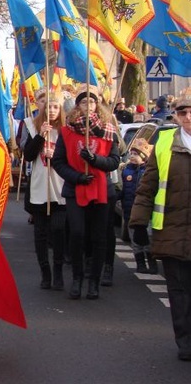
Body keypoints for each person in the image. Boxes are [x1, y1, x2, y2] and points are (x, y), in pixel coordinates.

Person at [130, 97, 191, 361]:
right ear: (175, 115)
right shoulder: (164, 142)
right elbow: (148, 186)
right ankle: (185, 342)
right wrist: (139, 223)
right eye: (182, 112)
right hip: (172, 230)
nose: (188, 117)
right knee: (179, 292)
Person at [52, 84, 120, 300]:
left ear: (97, 105)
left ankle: (94, 282)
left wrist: (95, 160)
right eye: (84, 101)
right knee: (78, 234)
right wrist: (78, 177)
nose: (88, 105)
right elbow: (58, 162)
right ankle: (78, 278)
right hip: (76, 188)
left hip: (102, 191)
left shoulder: (109, 129)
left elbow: (114, 162)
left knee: (99, 237)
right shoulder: (67, 130)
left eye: (92, 101)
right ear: (77, 106)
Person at [21, 90, 67, 290]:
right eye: (48, 106)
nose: (52, 110)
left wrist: (55, 153)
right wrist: (41, 136)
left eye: (56, 106)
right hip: (40, 186)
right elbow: (28, 154)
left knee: (58, 231)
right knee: (40, 233)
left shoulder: (66, 130)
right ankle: (45, 272)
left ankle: (58, 271)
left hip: (60, 187)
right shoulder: (31, 125)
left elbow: (71, 157)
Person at [120, 138, 155, 273]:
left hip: (146, 213)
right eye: (132, 154)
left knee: (148, 239)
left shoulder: (147, 171)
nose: (133, 157)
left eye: (137, 154)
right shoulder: (126, 171)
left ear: (145, 157)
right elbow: (123, 190)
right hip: (130, 212)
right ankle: (140, 263)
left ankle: (151, 262)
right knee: (135, 240)